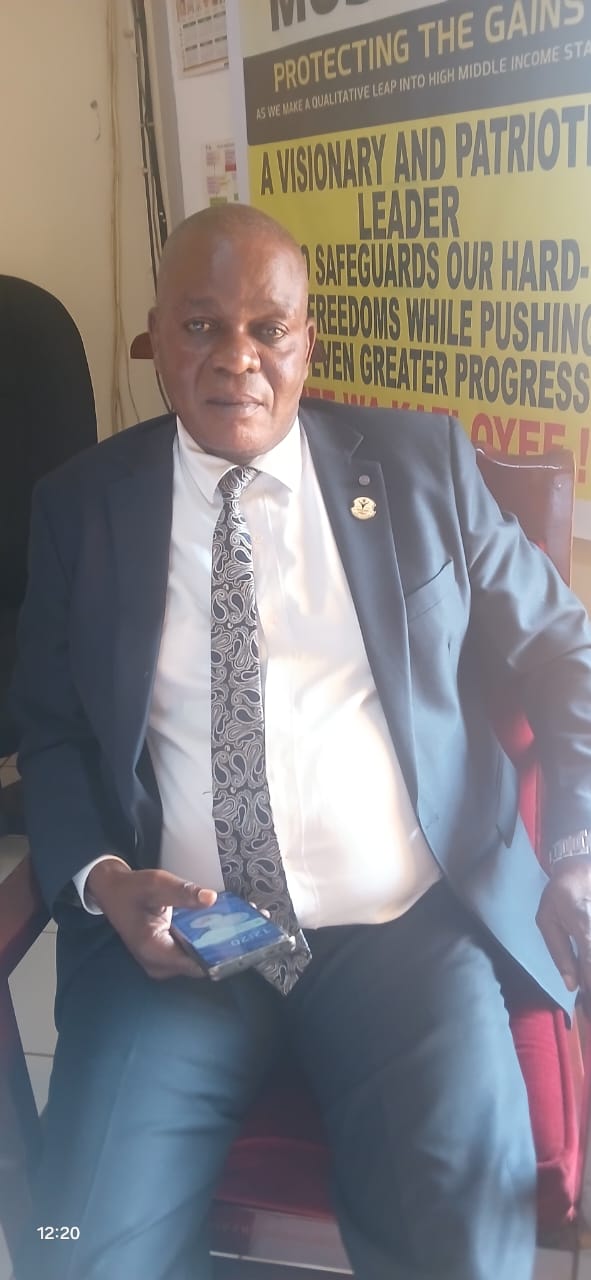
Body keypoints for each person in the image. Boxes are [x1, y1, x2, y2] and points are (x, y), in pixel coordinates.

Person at [10, 202, 591, 1280]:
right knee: (75, 1252)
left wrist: (575, 843)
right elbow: (49, 730)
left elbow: (567, 650)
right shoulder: (79, 509)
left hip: (400, 934)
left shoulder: (421, 467)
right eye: (200, 326)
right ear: (154, 339)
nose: (236, 358)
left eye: (266, 328)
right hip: (186, 943)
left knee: (466, 1246)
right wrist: (101, 879)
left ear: (306, 340)